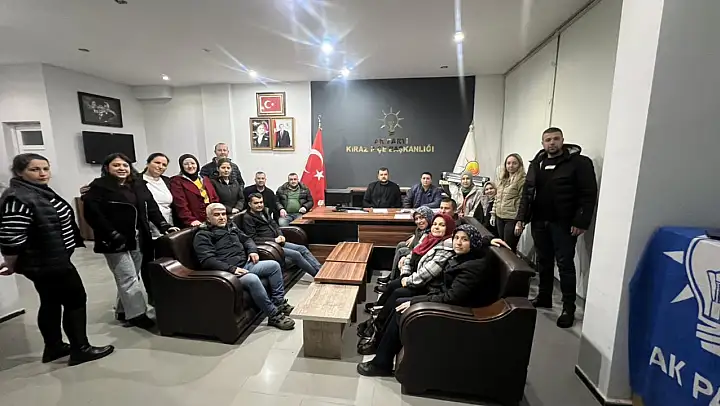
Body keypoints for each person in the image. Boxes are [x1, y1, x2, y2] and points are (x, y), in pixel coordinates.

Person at [0, 153, 114, 366]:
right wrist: (11, 263)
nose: (43, 173)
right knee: (75, 300)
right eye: (35, 169)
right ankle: (81, 349)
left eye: (45, 168)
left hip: (52, 258)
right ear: (19, 172)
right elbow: (11, 237)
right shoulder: (18, 198)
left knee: (50, 302)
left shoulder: (37, 191)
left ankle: (54, 347)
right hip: (47, 262)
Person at [357, 224, 504, 376]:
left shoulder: (472, 268)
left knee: (402, 308)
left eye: (464, 240)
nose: (458, 243)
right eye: (457, 238)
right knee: (399, 300)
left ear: (473, 243)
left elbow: (451, 298)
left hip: (458, 313)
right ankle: (380, 348)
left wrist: (415, 302)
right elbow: (478, 242)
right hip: (444, 298)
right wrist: (489, 239)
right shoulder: (469, 255)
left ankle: (382, 363)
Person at [83, 153, 178, 329]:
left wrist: (164, 225)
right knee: (127, 277)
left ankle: (122, 310)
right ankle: (137, 315)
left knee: (131, 276)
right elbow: (94, 216)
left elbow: (151, 208)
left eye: (125, 165)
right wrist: (112, 234)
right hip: (114, 241)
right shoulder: (98, 188)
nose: (121, 168)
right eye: (116, 165)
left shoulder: (138, 185)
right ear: (107, 168)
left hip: (138, 237)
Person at [516, 127, 598, 328]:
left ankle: (568, 308)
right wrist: (521, 218)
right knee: (543, 262)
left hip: (564, 224)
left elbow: (588, 194)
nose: (551, 143)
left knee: (565, 265)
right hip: (539, 221)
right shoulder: (537, 163)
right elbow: (527, 193)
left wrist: (581, 221)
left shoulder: (579, 163)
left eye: (555, 139)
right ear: (542, 143)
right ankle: (544, 297)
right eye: (547, 140)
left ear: (563, 140)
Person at [357, 213, 456, 354]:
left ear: (449, 228)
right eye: (435, 224)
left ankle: (378, 328)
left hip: (427, 287)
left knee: (398, 293)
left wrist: (408, 280)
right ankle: (375, 322)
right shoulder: (428, 238)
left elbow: (426, 274)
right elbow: (411, 256)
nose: (436, 227)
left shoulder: (446, 248)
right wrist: (404, 274)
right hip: (414, 278)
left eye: (442, 225)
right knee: (394, 284)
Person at [193, 203, 295, 330]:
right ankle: (273, 315)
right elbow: (207, 260)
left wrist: (252, 251)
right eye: (216, 215)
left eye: (223, 214)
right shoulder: (202, 235)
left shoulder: (231, 226)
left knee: (273, 266)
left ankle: (279, 302)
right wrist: (232, 269)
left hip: (245, 264)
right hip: (229, 273)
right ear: (208, 218)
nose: (222, 217)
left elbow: (247, 239)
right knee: (252, 279)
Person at [243, 193, 322, 277]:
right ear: (250, 204)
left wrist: (280, 235)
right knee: (296, 254)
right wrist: (274, 240)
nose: (259, 205)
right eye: (256, 203)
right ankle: (317, 275)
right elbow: (253, 238)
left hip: (278, 242)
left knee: (302, 248)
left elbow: (274, 225)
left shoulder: (264, 211)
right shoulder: (247, 218)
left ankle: (321, 270)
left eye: (261, 202)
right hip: (269, 245)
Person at [140, 152, 175, 303]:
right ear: (148, 163)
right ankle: (151, 294)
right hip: (146, 227)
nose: (160, 166)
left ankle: (165, 292)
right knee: (148, 262)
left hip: (166, 224)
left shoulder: (167, 181)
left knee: (165, 261)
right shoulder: (138, 181)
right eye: (157, 162)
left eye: (164, 164)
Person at [376, 206, 434, 286]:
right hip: (416, 249)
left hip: (420, 255)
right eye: (416, 219)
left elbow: (419, 249)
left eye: (421, 218)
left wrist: (406, 256)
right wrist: (414, 236)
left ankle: (392, 280)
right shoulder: (420, 230)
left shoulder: (429, 233)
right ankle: (393, 274)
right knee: (401, 244)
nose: (418, 221)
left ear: (428, 217)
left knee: (401, 251)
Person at [170, 154, 220, 227]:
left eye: (193, 163)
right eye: (186, 164)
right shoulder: (177, 181)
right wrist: (190, 220)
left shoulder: (205, 179)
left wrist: (217, 213)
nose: (190, 166)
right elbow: (180, 204)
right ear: (181, 166)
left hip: (210, 218)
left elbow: (214, 198)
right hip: (193, 221)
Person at [492, 153, 526, 252]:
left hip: (512, 219)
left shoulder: (522, 180)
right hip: (499, 217)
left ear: (519, 165)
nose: (511, 166)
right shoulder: (502, 179)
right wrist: (493, 214)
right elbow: (497, 198)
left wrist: (520, 221)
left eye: (514, 163)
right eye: (508, 163)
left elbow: (523, 202)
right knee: (501, 246)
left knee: (509, 247)